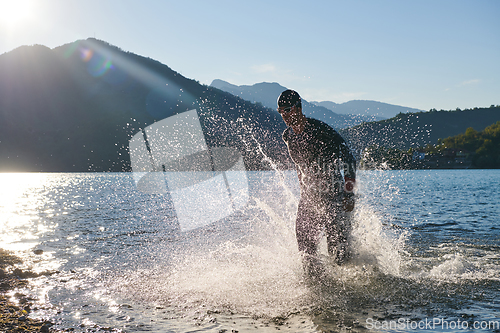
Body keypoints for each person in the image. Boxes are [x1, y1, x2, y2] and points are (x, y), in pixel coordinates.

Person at [277, 89, 356, 267]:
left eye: (287, 110)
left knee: (339, 256)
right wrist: (303, 191)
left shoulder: (321, 131)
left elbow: (349, 159)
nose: (284, 115)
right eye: (280, 111)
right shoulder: (288, 136)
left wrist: (349, 193)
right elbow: (299, 167)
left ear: (298, 108)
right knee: (306, 250)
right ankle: (317, 289)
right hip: (309, 198)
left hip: (334, 196)